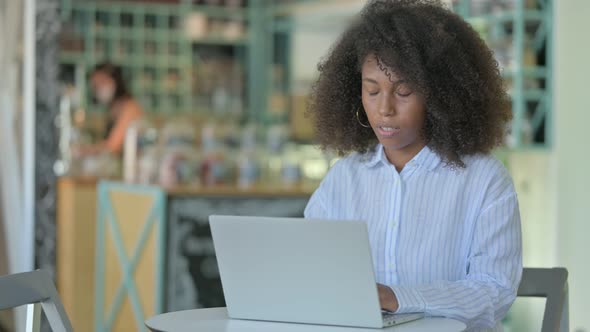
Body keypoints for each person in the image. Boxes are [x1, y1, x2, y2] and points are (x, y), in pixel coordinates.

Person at [304, 1, 522, 331]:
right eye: (372, 90)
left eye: (404, 91)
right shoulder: (343, 180)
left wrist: (398, 297)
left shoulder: (484, 180)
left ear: (441, 95)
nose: (385, 109)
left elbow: (494, 290)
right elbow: (310, 273)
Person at [74, 63, 143, 156]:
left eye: (102, 83)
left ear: (116, 81)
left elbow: (112, 146)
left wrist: (82, 150)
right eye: (95, 86)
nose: (99, 90)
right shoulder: (113, 109)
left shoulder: (129, 108)